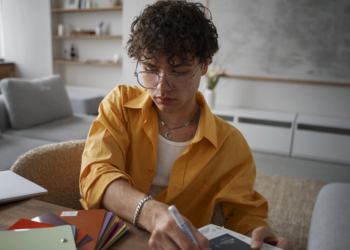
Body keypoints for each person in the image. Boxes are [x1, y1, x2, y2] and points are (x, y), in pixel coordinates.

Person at [79, 1, 293, 249]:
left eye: (178, 72)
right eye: (149, 69)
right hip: (105, 238)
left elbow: (244, 213)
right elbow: (96, 174)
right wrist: (153, 213)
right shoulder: (120, 104)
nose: (160, 88)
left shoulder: (229, 143)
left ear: (204, 66)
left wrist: (257, 232)